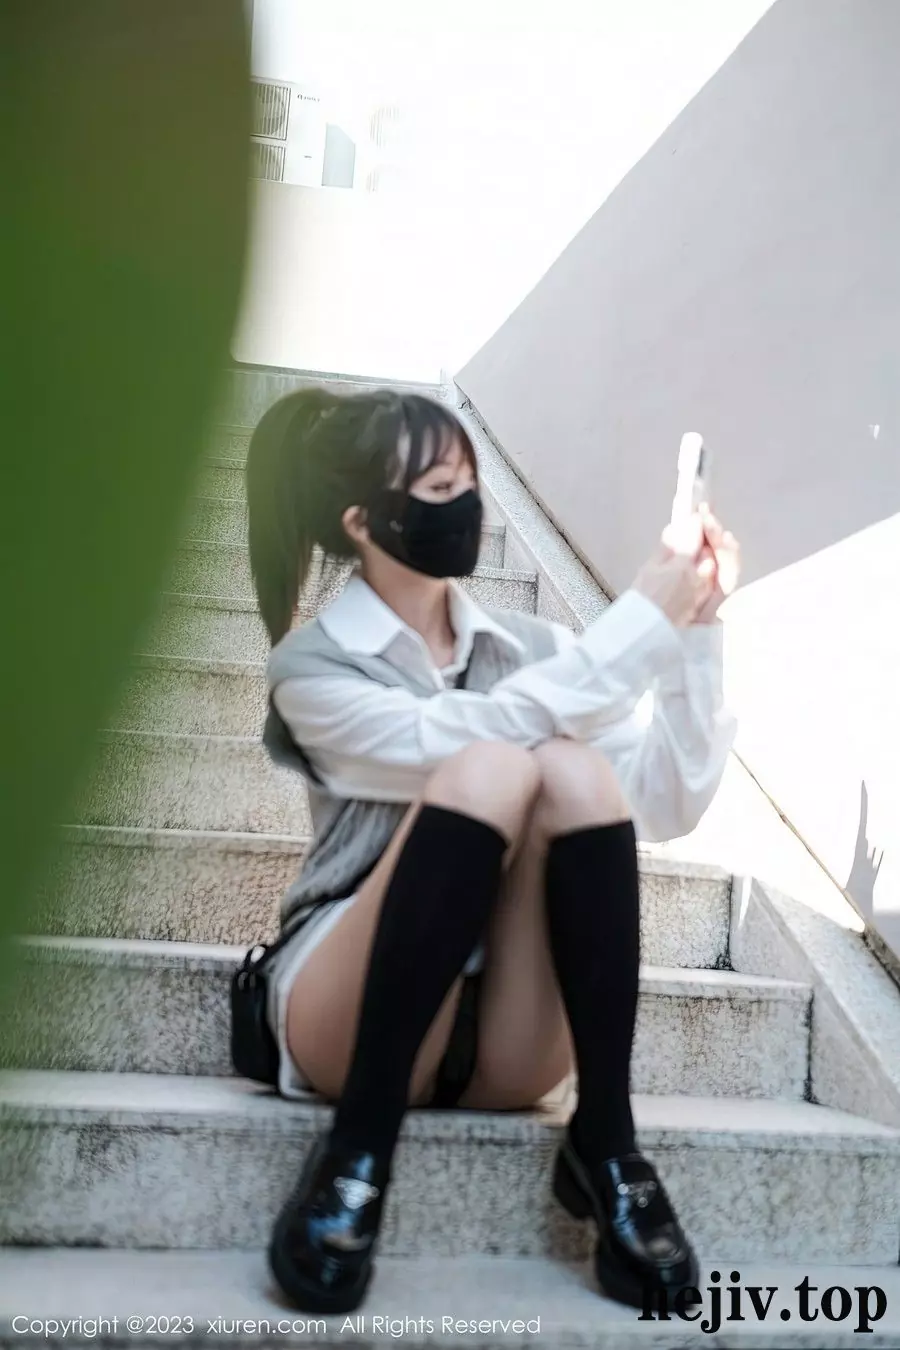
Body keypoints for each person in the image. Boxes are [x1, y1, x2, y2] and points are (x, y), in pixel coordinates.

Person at [242, 387, 739, 1316]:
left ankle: (607, 1139)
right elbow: (465, 739)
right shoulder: (313, 668)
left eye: (471, 484)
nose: (466, 505)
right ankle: (358, 1149)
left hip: (506, 1040)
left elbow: (664, 797)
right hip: (348, 1021)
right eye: (440, 488)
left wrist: (694, 632)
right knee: (494, 767)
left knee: (577, 774)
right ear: (364, 521)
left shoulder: (531, 649)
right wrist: (641, 613)